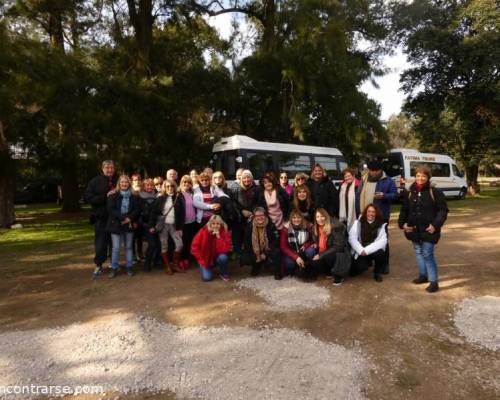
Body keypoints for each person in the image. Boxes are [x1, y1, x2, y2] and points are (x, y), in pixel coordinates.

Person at [398, 166, 448, 293]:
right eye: (418, 175)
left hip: (429, 229)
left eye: (423, 176)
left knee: (427, 254)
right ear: (415, 177)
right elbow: (404, 210)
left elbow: (443, 210)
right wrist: (402, 224)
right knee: (418, 252)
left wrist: (435, 225)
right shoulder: (410, 192)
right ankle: (423, 275)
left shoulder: (435, 191)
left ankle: (433, 281)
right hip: (413, 229)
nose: (420, 178)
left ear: (428, 178)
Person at [356, 160, 397, 274]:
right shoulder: (364, 178)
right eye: (371, 170)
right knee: (365, 237)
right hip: (365, 214)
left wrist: (384, 196)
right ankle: (368, 260)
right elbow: (358, 195)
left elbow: (395, 195)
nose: (373, 173)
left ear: (380, 170)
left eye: (376, 171)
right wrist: (358, 212)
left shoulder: (388, 181)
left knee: (382, 240)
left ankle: (384, 264)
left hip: (380, 216)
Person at [84, 160, 118, 279]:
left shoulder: (118, 180)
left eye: (111, 168)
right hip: (101, 217)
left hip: (116, 217)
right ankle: (98, 264)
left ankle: (114, 264)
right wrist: (105, 196)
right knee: (101, 242)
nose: (109, 170)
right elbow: (88, 197)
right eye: (107, 168)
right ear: (102, 169)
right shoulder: (95, 181)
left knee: (115, 242)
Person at [106, 175, 142, 278]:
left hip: (129, 223)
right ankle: (114, 267)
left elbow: (137, 209)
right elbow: (111, 209)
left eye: (126, 182)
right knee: (116, 248)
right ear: (119, 184)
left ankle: (129, 266)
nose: (124, 184)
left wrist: (129, 218)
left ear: (129, 184)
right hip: (116, 224)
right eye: (122, 182)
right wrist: (123, 218)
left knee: (129, 247)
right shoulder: (113, 195)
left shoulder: (134, 196)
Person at [149, 180, 185, 275]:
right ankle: (168, 266)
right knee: (164, 245)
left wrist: (180, 228)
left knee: (179, 244)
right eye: (168, 186)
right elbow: (153, 213)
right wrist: (152, 226)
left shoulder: (178, 198)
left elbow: (182, 214)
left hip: (174, 225)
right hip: (163, 226)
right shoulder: (160, 198)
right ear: (165, 187)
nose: (170, 188)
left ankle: (175, 264)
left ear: (174, 187)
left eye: (172, 186)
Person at [348, 204, 387, 282]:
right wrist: (361, 250)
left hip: (371, 250)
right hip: (360, 251)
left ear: (376, 213)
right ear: (366, 212)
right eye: (369, 211)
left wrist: (367, 251)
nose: (371, 214)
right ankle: (366, 264)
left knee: (380, 253)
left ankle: (377, 273)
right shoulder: (358, 223)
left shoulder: (380, 225)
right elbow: (352, 238)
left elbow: (383, 241)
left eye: (373, 212)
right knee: (355, 271)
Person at [311, 208, 350, 285]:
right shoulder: (316, 228)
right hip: (327, 251)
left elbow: (339, 246)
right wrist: (316, 243)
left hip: (340, 253)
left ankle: (339, 275)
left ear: (326, 216)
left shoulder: (335, 227)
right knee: (314, 260)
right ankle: (328, 271)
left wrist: (321, 255)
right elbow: (321, 240)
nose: (320, 219)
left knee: (328, 255)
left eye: (322, 216)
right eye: (317, 217)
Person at [241, 207, 282, 279]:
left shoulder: (271, 225)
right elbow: (247, 243)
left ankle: (277, 272)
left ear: (265, 215)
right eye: (257, 216)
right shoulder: (249, 226)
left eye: (262, 215)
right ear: (254, 216)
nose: (260, 217)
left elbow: (275, 241)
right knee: (245, 258)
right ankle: (257, 265)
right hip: (255, 250)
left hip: (267, 249)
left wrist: (266, 253)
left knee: (277, 251)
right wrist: (257, 255)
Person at [191, 215, 232, 282]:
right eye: (213, 223)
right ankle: (206, 267)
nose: (215, 226)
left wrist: (218, 237)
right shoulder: (203, 231)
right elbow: (194, 247)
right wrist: (201, 260)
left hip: (217, 257)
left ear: (221, 224)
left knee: (223, 257)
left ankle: (223, 273)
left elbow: (224, 250)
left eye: (218, 224)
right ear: (210, 224)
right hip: (205, 258)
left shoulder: (224, 232)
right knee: (206, 278)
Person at [279, 210, 316, 278]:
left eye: (299, 217)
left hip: (303, 250)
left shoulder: (308, 226)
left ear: (302, 218)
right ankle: (296, 268)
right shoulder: (286, 228)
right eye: (294, 218)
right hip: (291, 251)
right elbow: (283, 246)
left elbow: (312, 240)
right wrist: (296, 257)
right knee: (289, 264)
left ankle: (305, 267)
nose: (296, 220)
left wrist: (306, 245)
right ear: (291, 218)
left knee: (311, 251)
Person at [231, 169, 258, 257]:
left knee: (249, 235)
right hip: (239, 215)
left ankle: (248, 252)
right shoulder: (236, 188)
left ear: (252, 178)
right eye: (244, 178)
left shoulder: (256, 189)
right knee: (237, 235)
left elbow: (257, 202)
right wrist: (242, 210)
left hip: (251, 215)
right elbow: (233, 202)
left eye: (248, 178)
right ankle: (237, 253)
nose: (246, 180)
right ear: (241, 179)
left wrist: (252, 212)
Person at [178, 175, 198, 270]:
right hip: (183, 224)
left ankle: (187, 259)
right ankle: (180, 259)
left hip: (192, 222)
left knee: (190, 242)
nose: (186, 184)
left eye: (189, 182)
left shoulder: (193, 194)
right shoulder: (178, 194)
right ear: (181, 183)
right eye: (184, 182)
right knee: (182, 242)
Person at [139, 178, 159, 272]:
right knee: (152, 244)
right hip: (145, 225)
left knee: (158, 244)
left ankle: (156, 261)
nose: (149, 187)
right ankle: (147, 263)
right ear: (144, 186)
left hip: (156, 225)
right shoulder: (140, 197)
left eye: (151, 185)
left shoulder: (157, 197)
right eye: (147, 185)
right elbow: (138, 213)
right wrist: (146, 225)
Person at [339, 168, 360, 232]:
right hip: (345, 213)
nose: (347, 178)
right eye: (345, 177)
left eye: (349, 176)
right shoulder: (342, 186)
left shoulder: (358, 185)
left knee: (354, 231)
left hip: (355, 213)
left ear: (353, 175)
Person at [131, 173, 144, 261]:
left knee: (140, 238)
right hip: (133, 219)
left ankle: (140, 254)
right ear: (132, 181)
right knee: (132, 239)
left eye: (138, 179)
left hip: (142, 219)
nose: (137, 181)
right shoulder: (130, 192)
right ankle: (133, 256)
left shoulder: (143, 191)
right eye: (135, 180)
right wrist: (133, 221)